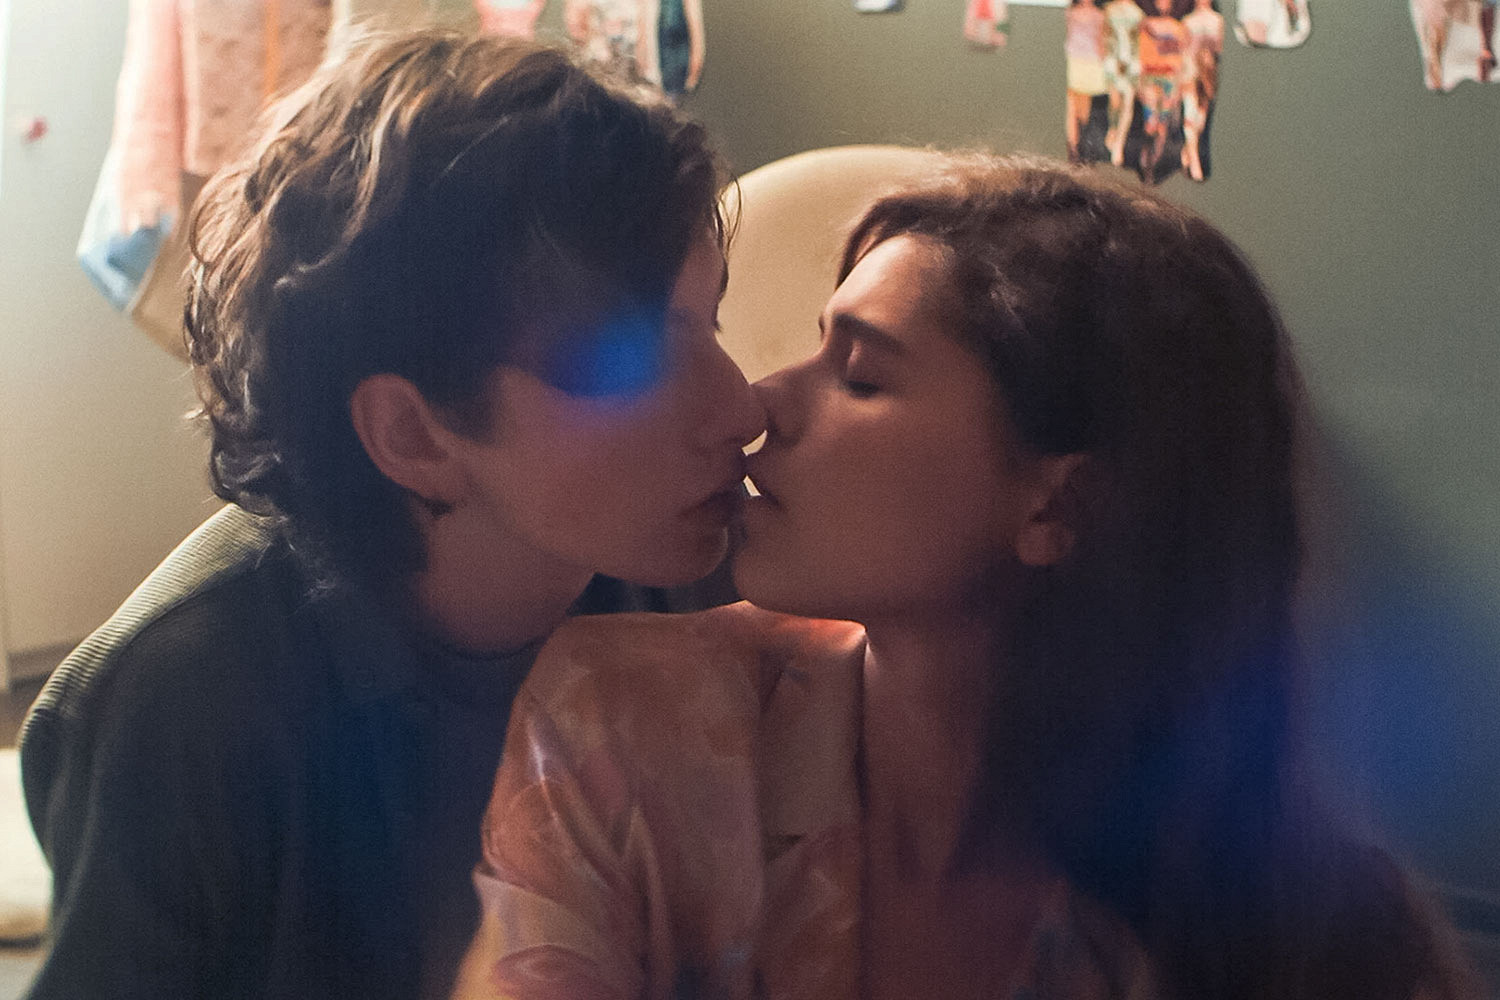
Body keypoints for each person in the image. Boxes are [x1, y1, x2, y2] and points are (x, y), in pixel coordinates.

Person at [451, 156, 1481, 1000]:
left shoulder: (1307, 931)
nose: (764, 401)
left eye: (861, 375)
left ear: (1056, 508)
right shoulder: (620, 726)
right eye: (814, 345)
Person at [19, 29, 761, 1000]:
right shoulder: (184, 708)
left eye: (712, 320)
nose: (741, 407)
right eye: (638, 360)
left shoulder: (707, 593)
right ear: (413, 435)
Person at [1064, 0, 1109, 164]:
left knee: (1084, 108)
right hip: (1076, 59)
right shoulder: (1070, 12)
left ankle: (1081, 144)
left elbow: (1101, 38)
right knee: (1072, 105)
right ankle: (1073, 147)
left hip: (1092, 61)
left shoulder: (1100, 15)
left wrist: (1103, 59)